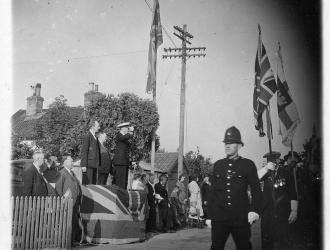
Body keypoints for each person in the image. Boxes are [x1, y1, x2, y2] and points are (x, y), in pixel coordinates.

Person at [207, 126, 262, 250]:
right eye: (226, 143)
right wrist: (209, 215)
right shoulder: (218, 165)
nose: (227, 145)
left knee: (244, 247)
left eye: (231, 143)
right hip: (219, 218)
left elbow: (256, 189)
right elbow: (212, 193)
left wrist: (254, 210)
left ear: (239, 145)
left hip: (240, 218)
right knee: (216, 247)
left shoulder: (248, 165)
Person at [258, 151, 298, 250]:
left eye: (272, 160)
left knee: (283, 240)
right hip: (267, 212)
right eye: (268, 160)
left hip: (282, 211)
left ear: (277, 160)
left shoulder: (286, 172)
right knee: (267, 241)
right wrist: (265, 168)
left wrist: (294, 210)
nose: (271, 162)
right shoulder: (265, 173)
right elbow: (255, 178)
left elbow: (293, 192)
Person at [55, 156, 82, 246]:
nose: (72, 163)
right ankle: (66, 242)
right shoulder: (62, 173)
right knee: (67, 223)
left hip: (74, 202)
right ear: (65, 162)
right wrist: (62, 200)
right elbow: (58, 188)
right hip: (67, 203)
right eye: (71, 161)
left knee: (73, 222)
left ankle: (71, 241)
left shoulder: (72, 173)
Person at [113, 122, 134, 189]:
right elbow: (123, 138)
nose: (128, 129)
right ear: (122, 128)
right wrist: (130, 132)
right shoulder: (119, 135)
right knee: (120, 182)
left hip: (124, 163)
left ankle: (122, 196)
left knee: (124, 182)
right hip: (119, 163)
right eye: (127, 128)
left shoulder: (125, 138)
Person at [80, 119, 101, 184]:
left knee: (93, 185)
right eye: (98, 126)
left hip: (94, 165)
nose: (99, 128)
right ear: (93, 126)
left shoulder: (95, 137)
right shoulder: (87, 136)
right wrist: (84, 165)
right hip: (88, 165)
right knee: (88, 184)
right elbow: (84, 151)